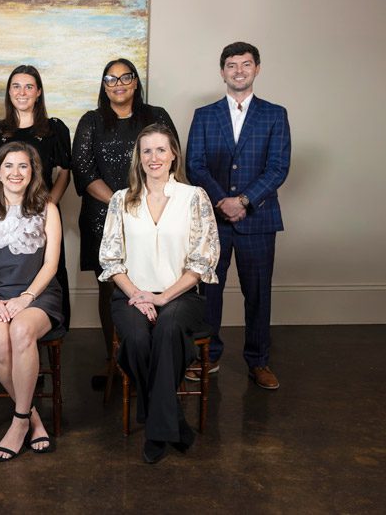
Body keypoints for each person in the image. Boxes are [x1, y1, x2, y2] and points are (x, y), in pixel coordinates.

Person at [99, 123, 219, 464]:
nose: (154, 157)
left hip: (180, 295)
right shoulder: (122, 200)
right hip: (131, 295)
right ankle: (172, 425)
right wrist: (138, 295)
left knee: (167, 330)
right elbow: (110, 258)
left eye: (160, 150)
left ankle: (154, 428)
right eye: (146, 150)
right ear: (139, 157)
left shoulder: (194, 197)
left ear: (173, 155)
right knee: (136, 339)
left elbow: (203, 259)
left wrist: (163, 297)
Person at [185, 42, 291, 390]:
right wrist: (222, 201)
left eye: (246, 64)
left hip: (258, 220)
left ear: (257, 68)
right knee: (208, 292)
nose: (239, 71)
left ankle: (259, 361)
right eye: (232, 65)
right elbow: (194, 165)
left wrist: (243, 200)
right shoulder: (205, 115)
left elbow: (278, 168)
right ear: (222, 72)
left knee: (258, 293)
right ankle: (209, 356)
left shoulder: (275, 114)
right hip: (214, 221)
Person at [72, 58, 179, 382]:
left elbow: (169, 158)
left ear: (135, 83)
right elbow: (83, 169)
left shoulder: (155, 116)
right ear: (104, 86)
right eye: (110, 78)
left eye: (125, 77)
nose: (118, 83)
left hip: (153, 214)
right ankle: (115, 360)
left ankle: (152, 359)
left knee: (157, 280)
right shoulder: (92, 121)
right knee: (111, 290)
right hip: (103, 218)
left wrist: (143, 205)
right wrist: (122, 203)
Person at [0, 141, 63, 462]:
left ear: (33, 171)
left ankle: (18, 423)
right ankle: (32, 417)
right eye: (8, 166)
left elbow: (51, 265)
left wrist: (26, 298)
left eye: (23, 165)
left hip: (38, 294)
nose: (15, 172)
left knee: (20, 332)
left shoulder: (48, 208)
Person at [0, 64, 72, 328]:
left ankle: (42, 331)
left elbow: (64, 173)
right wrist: (4, 206)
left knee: (48, 269)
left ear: (39, 92)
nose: (22, 92)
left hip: (42, 214)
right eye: (16, 86)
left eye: (29, 86)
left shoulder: (55, 129)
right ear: (8, 92)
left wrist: (45, 206)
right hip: (1, 214)